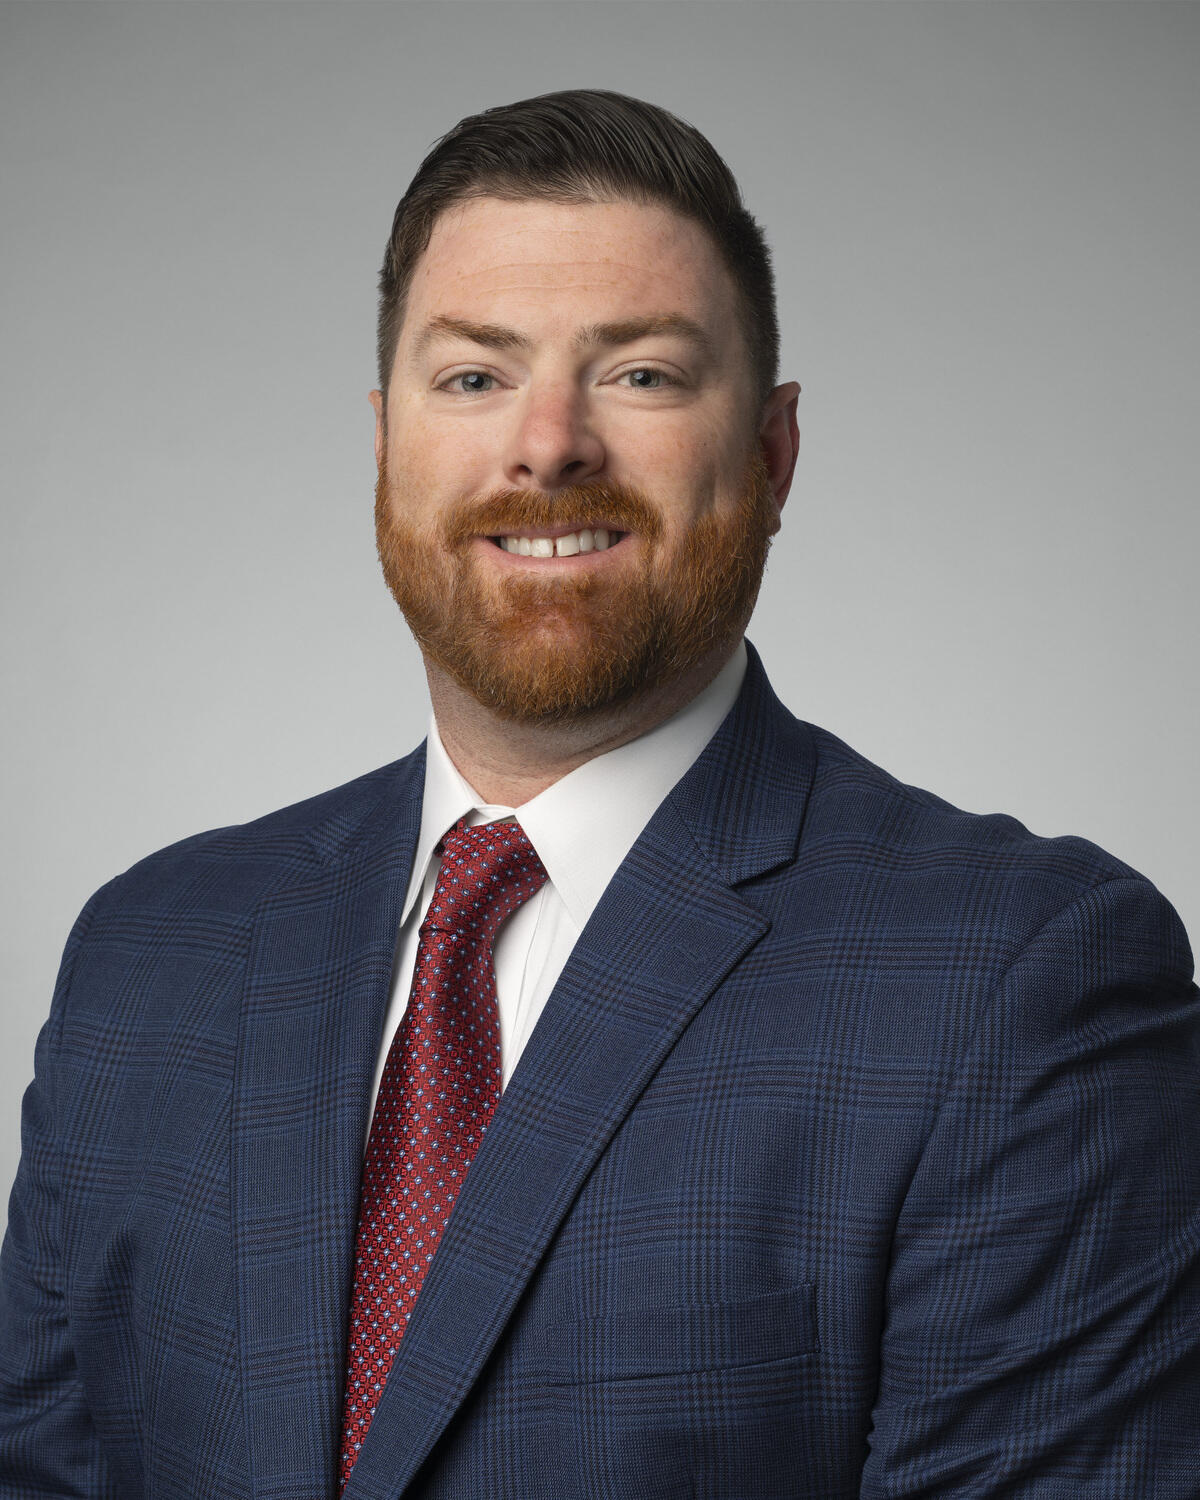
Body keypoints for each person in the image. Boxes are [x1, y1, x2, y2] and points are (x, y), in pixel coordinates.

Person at [1, 88, 1197, 1500]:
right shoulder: (149, 949)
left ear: (772, 456)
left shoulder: (1024, 981)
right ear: (384, 448)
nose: (549, 443)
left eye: (640, 374)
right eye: (473, 377)